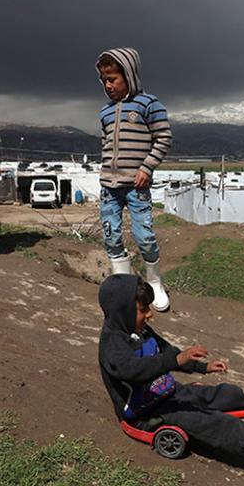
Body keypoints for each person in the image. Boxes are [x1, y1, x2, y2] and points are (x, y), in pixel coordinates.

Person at [98, 274, 244, 477]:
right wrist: (175, 361)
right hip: (148, 413)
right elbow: (132, 370)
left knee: (226, 395)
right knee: (222, 424)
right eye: (142, 309)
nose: (149, 314)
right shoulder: (112, 346)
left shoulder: (140, 330)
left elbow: (167, 352)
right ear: (123, 311)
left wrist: (201, 368)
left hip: (167, 392)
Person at [94, 48, 172, 311]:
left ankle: (154, 281)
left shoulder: (149, 104)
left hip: (136, 185)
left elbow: (163, 138)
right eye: (104, 79)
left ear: (129, 75)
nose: (108, 85)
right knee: (111, 235)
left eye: (113, 79)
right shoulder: (105, 112)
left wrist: (147, 167)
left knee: (144, 235)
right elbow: (106, 144)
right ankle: (125, 285)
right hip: (109, 185)